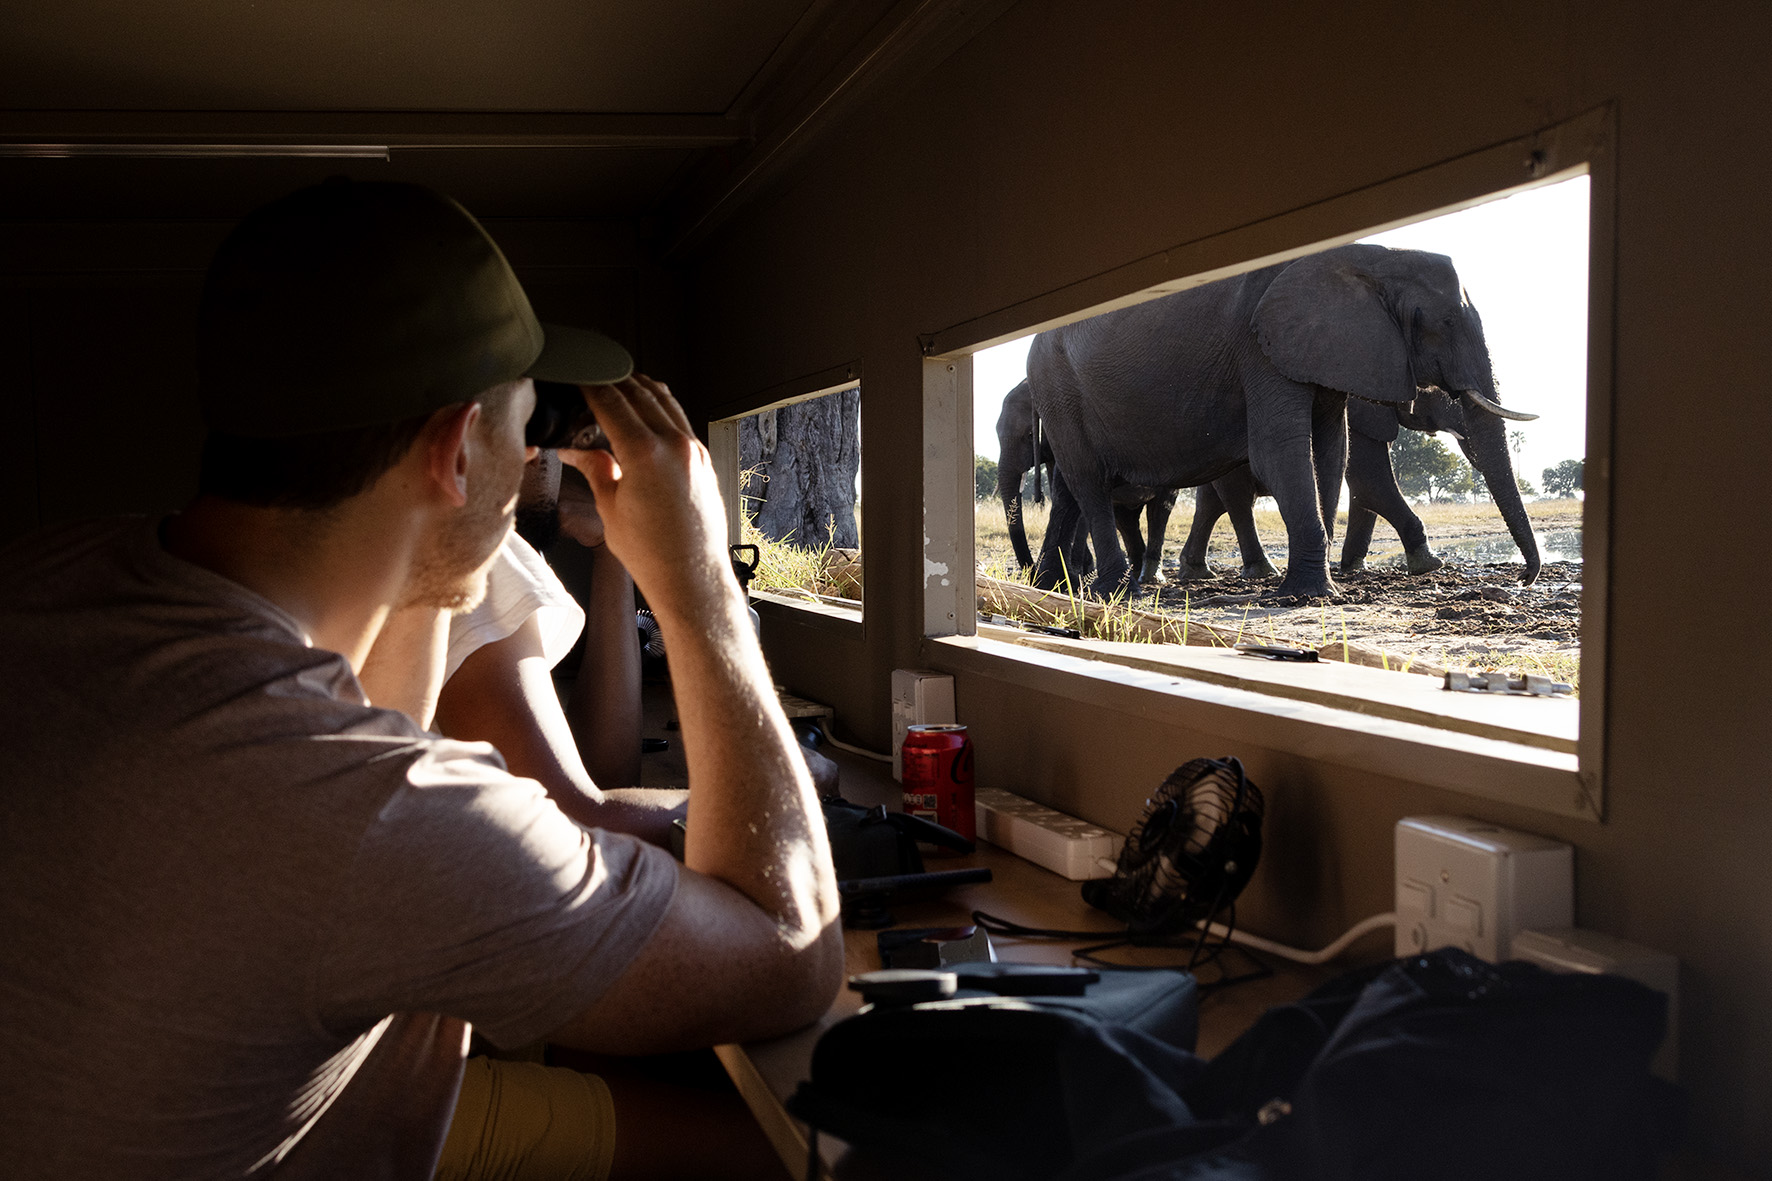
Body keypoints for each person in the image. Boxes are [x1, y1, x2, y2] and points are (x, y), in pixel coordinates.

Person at [0, 179, 842, 1180]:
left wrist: (441, 549)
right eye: (523, 424)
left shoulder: (45, 581)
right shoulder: (357, 804)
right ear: (452, 448)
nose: (535, 454)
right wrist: (698, 580)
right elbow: (789, 953)